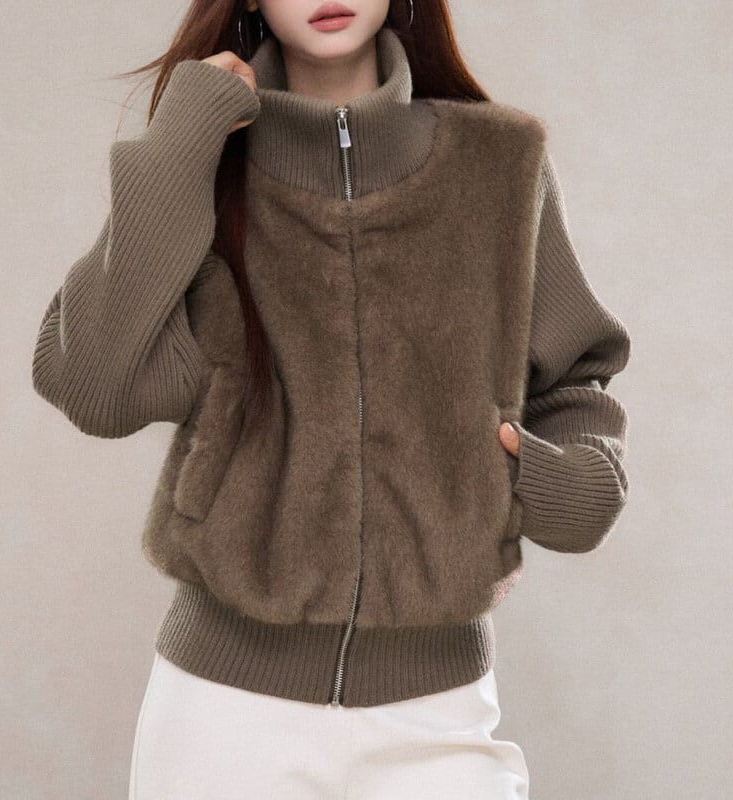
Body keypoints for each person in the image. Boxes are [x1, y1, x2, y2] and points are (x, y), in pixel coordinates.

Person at [31, 1, 632, 797]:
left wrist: (556, 478)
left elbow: (576, 380)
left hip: (437, 715)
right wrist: (180, 142)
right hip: (223, 718)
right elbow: (95, 386)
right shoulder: (207, 165)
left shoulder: (499, 162)